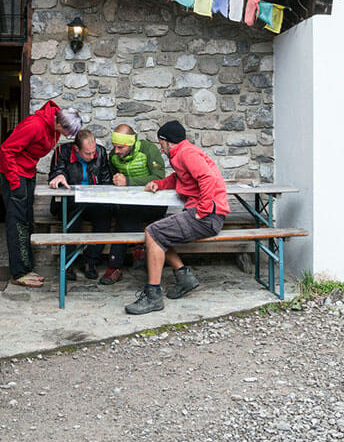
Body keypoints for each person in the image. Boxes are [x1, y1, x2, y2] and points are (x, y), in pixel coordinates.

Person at [126, 121, 228, 315]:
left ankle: (153, 296)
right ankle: (184, 277)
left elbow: (207, 178)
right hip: (207, 214)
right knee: (158, 233)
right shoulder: (182, 153)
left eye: (160, 143)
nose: (160, 147)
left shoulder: (186, 154)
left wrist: (203, 209)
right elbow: (179, 178)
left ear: (165, 141)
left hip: (208, 216)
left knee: (153, 233)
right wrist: (159, 183)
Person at [0, 101, 83, 288]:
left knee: (26, 219)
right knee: (17, 222)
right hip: (13, 173)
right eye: (69, 133)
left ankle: (26, 268)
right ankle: (18, 273)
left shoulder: (54, 127)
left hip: (26, 172)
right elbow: (6, 150)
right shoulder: (34, 125)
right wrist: (15, 181)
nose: (69, 136)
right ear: (60, 125)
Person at [104, 123, 167, 284]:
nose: (116, 151)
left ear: (130, 144)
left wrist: (129, 181)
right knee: (123, 214)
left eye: (120, 148)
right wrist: (116, 181)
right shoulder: (113, 156)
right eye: (114, 147)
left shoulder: (148, 150)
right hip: (130, 205)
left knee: (124, 217)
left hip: (154, 204)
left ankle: (115, 266)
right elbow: (112, 178)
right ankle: (138, 250)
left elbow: (159, 176)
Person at [48, 127, 114, 280]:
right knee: (72, 218)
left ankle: (91, 261)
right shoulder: (62, 152)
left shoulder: (101, 152)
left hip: (92, 202)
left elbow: (106, 180)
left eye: (93, 152)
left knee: (104, 216)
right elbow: (57, 172)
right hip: (70, 202)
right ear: (76, 148)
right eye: (87, 153)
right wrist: (59, 176)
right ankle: (69, 263)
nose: (92, 156)